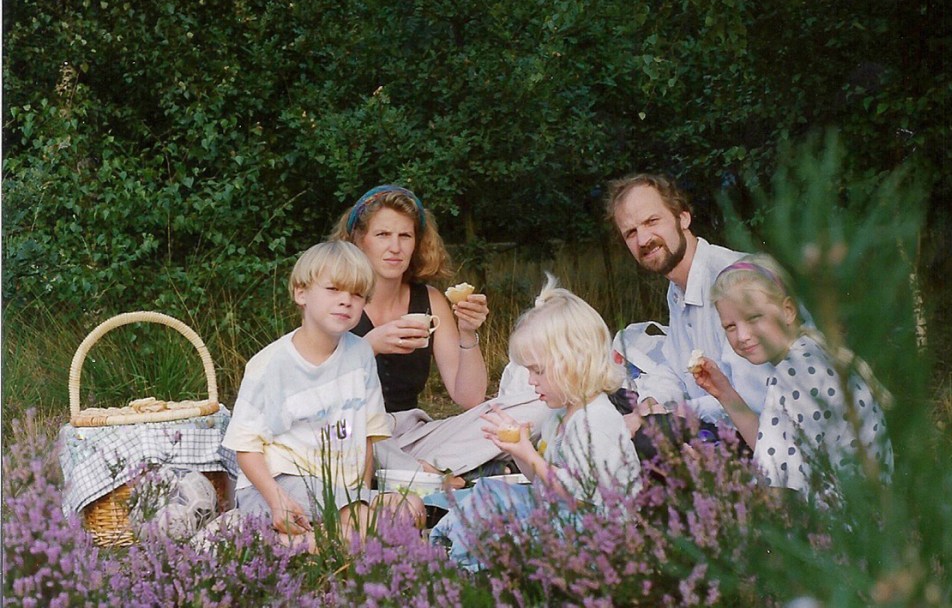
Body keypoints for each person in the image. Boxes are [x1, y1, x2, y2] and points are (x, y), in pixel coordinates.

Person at [330, 185, 549, 477]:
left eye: (405, 236)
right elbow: (315, 391)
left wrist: (467, 332)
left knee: (537, 405)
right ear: (358, 240)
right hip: (352, 432)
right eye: (382, 235)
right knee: (348, 436)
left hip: (413, 436)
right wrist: (369, 346)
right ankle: (445, 471)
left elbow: (469, 398)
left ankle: (423, 471)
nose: (395, 247)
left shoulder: (430, 300)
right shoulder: (336, 299)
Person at [222, 240, 425, 549]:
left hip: (341, 492)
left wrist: (361, 494)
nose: (346, 301)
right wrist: (277, 501)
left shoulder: (360, 355)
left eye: (357, 294)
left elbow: (367, 435)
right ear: (301, 293)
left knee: (412, 509)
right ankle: (305, 541)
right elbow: (246, 448)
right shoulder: (269, 365)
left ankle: (306, 543)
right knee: (368, 529)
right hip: (279, 487)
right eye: (333, 289)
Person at [430, 275, 642, 566]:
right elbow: (542, 482)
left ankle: (472, 557)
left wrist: (530, 454)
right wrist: (520, 451)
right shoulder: (559, 416)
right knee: (490, 491)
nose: (530, 381)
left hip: (599, 536)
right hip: (565, 517)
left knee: (504, 510)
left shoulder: (597, 421)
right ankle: (451, 537)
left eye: (537, 371)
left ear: (576, 363)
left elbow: (581, 493)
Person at [693, 254, 893, 497]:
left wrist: (711, 478)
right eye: (730, 326)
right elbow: (777, 453)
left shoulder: (794, 376)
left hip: (842, 517)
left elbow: (779, 497)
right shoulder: (810, 351)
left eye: (754, 317)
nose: (742, 335)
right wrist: (725, 394)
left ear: (787, 311)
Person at [605, 173, 773, 426]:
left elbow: (754, 397)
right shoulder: (677, 290)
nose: (643, 239)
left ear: (683, 217)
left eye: (651, 221)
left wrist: (674, 413)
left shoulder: (737, 279)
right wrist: (649, 402)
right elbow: (676, 368)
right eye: (630, 232)